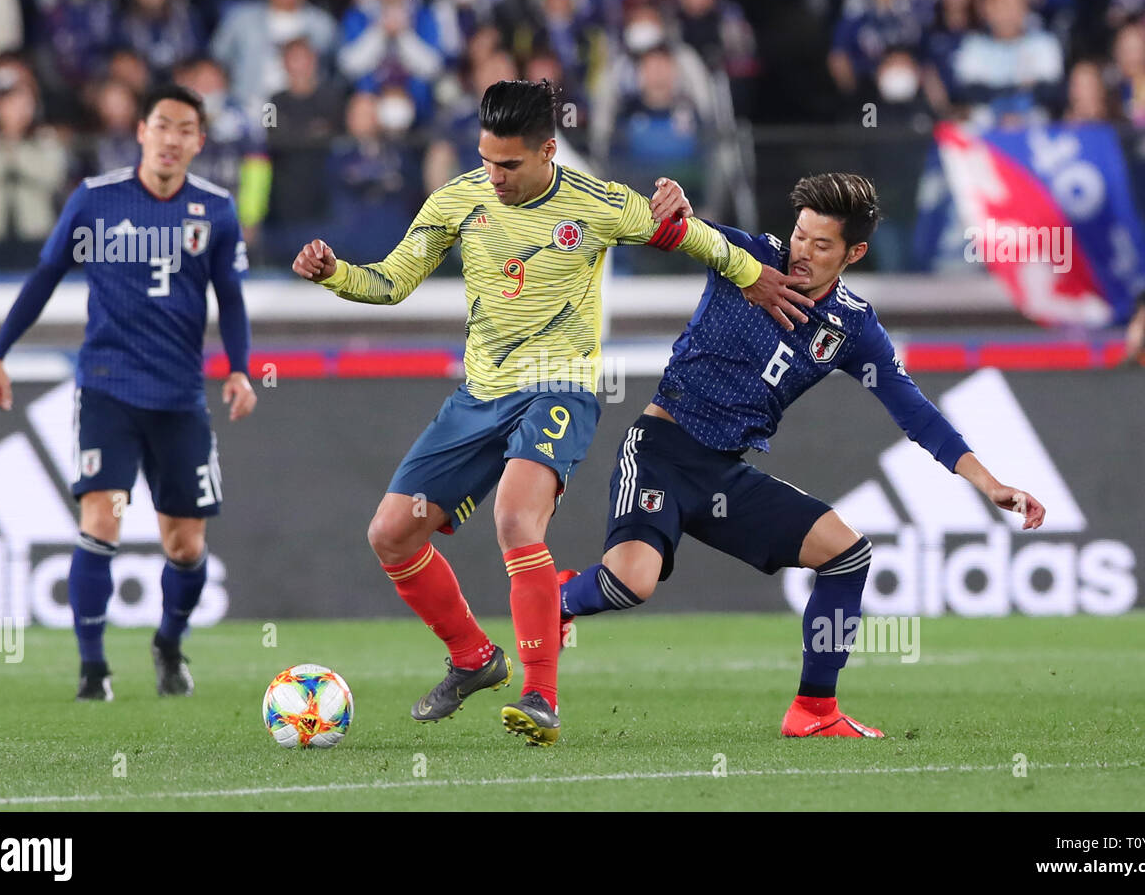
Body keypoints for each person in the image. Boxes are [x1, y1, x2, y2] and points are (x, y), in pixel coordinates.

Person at [291, 78, 815, 746]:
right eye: (486, 159)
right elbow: (391, 282)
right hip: (478, 397)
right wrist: (335, 271)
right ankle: (475, 660)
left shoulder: (598, 204)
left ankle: (541, 696)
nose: (495, 175)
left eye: (509, 164)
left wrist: (749, 273)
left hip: (559, 389)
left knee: (515, 516)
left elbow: (691, 238)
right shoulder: (457, 201)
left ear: (547, 151)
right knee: (391, 533)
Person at [557, 172, 1048, 738]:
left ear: (853, 253)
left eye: (821, 245)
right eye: (799, 235)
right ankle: (557, 597)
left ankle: (814, 712)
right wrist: (666, 201)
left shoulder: (852, 327)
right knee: (629, 585)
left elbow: (916, 415)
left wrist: (990, 485)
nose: (801, 253)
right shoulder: (743, 256)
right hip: (661, 452)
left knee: (848, 555)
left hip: (724, 477)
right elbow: (669, 228)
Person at [0, 84, 257, 701]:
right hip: (107, 388)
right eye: (161, 125)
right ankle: (92, 669)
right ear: (141, 131)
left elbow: (231, 297)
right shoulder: (96, 201)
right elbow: (45, 276)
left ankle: (168, 643)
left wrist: (240, 367)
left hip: (181, 396)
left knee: (184, 544)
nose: (171, 138)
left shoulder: (214, 210)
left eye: (185, 129)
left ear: (198, 143)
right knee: (101, 518)